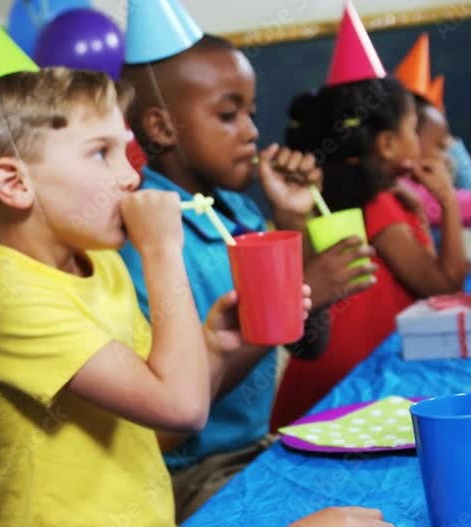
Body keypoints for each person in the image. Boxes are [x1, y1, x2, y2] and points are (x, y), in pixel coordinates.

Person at [118, 1, 376, 519]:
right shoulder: (146, 238)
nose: (252, 132)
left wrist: (294, 220)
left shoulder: (238, 211)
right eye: (228, 114)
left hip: (254, 451)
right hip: (190, 475)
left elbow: (308, 343)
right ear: (163, 128)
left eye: (252, 114)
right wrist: (302, 289)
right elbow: (175, 411)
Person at [272, 8, 470, 430]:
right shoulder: (379, 206)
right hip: (341, 392)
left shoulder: (369, 199)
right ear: (386, 143)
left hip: (335, 384)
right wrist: (448, 202)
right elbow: (445, 288)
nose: (421, 142)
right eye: (414, 129)